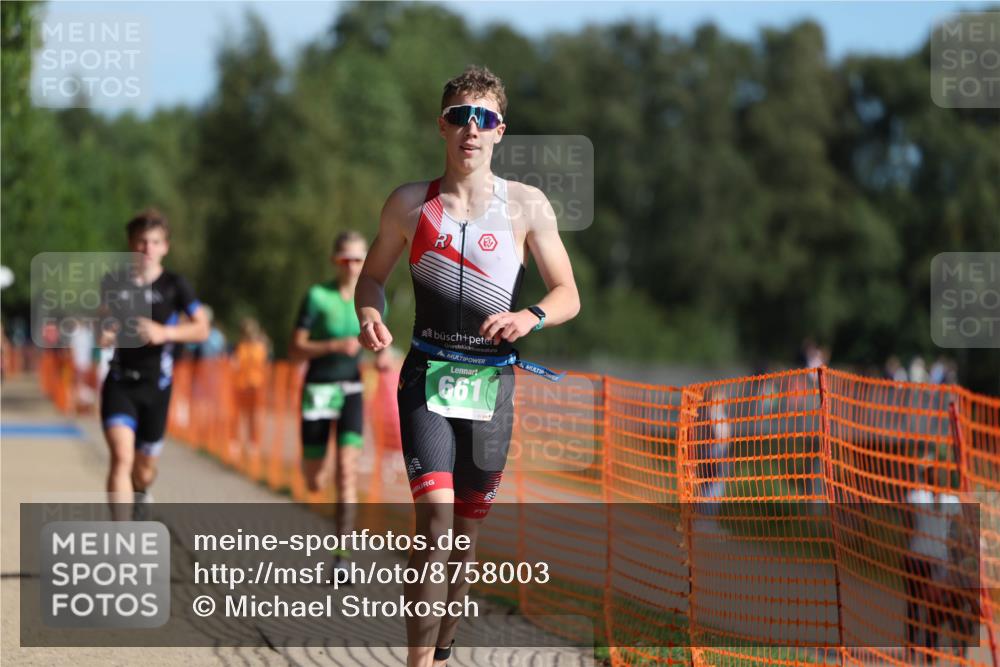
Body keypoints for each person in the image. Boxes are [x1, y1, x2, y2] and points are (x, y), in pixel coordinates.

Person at [355, 66, 580, 667]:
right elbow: (371, 278)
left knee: (464, 538)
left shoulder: (526, 205)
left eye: (483, 118)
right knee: (434, 526)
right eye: (460, 116)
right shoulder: (409, 204)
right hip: (425, 376)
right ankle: (417, 662)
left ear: (500, 131)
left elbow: (568, 293)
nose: (470, 129)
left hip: (490, 385)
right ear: (442, 126)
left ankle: (445, 644)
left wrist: (529, 316)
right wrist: (369, 314)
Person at [99, 208, 209, 519]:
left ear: (165, 247)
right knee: (121, 457)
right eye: (141, 242)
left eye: (155, 242)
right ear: (131, 244)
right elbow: (102, 322)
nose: (147, 249)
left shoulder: (175, 285)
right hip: (120, 381)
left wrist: (165, 332)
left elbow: (202, 328)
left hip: (157, 386)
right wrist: (106, 332)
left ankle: (142, 490)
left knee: (144, 469)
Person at [289, 231, 390, 566]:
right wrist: (333, 346)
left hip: (351, 390)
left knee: (346, 472)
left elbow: (380, 344)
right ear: (335, 261)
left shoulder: (374, 300)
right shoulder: (318, 296)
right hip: (318, 388)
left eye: (358, 259)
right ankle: (314, 473)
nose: (351, 266)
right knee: (315, 479)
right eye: (345, 259)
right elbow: (294, 349)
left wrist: (382, 359)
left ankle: (342, 554)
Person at [232, 317, 269, 459]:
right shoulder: (240, 347)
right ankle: (236, 441)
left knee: (254, 416)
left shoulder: (260, 348)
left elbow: (263, 366)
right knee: (239, 416)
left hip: (256, 386)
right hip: (241, 385)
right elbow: (236, 364)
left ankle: (252, 443)